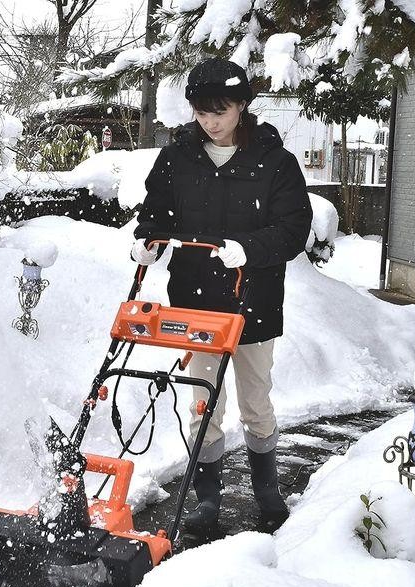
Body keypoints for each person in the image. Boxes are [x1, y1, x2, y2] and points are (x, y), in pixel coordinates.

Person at [131, 57, 313, 531]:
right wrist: (148, 239)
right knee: (202, 400)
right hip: (195, 300)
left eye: (220, 110)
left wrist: (249, 249)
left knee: (256, 400)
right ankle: (207, 498)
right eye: (201, 111)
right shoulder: (177, 159)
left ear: (242, 106)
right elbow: (156, 211)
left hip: (255, 299)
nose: (210, 121)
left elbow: (294, 229)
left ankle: (267, 490)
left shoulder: (275, 162)